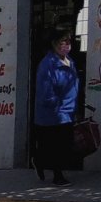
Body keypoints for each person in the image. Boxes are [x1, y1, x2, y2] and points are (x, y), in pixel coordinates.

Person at [33, 29, 79, 185]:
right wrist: (57, 106)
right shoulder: (48, 65)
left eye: (68, 41)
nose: (66, 44)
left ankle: (39, 161)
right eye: (63, 41)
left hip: (68, 111)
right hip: (54, 113)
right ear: (54, 44)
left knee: (64, 145)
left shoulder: (69, 61)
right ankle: (57, 176)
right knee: (57, 147)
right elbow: (46, 92)